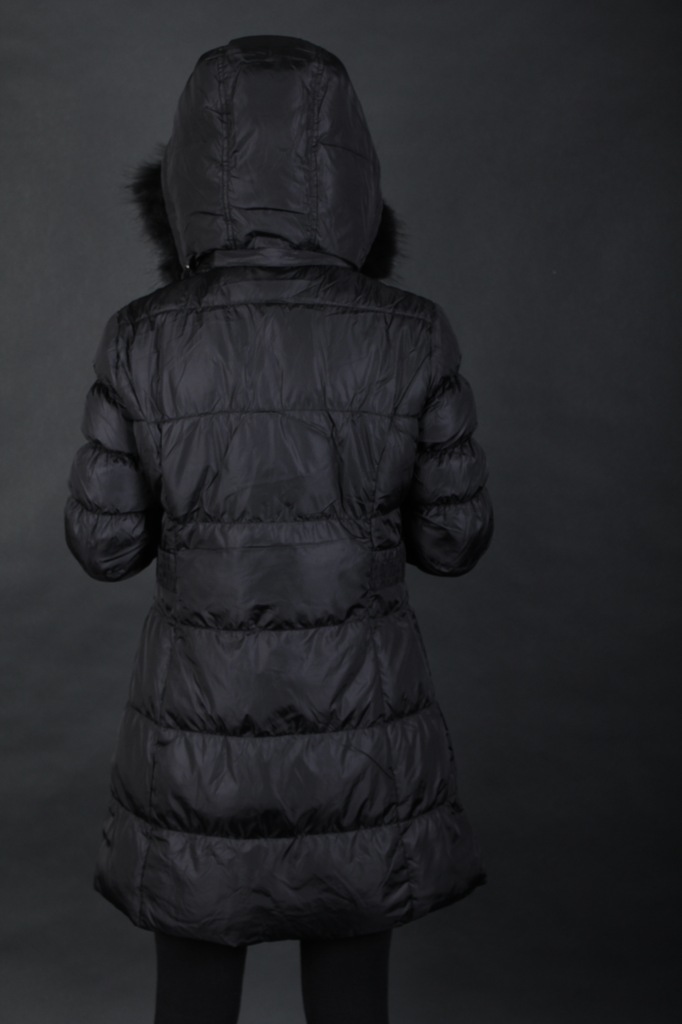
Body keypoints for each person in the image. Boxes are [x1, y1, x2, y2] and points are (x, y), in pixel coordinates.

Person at [63, 34, 494, 1024]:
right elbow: (453, 541)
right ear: (350, 167)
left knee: (192, 998)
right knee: (351, 999)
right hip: (361, 734)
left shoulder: (143, 336)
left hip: (197, 737)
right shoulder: (412, 330)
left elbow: (104, 546)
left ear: (188, 172)